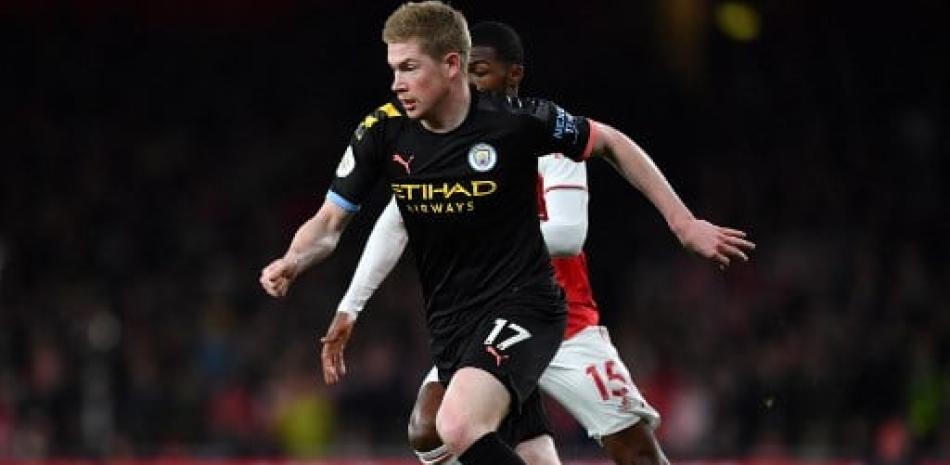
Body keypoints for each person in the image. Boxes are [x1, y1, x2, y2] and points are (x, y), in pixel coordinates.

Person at [260, 3, 754, 465]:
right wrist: (303, 266)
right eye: (394, 70)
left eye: (409, 68)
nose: (396, 84)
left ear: (453, 65)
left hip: (552, 315)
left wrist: (682, 222)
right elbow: (356, 222)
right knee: (432, 431)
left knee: (617, 449)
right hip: (462, 319)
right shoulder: (387, 134)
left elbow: (575, 217)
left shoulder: (524, 128)